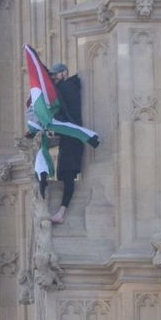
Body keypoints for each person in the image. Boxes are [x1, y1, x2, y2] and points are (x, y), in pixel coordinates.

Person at [49, 62, 88, 224]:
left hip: (72, 137)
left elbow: (67, 114)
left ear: (64, 72)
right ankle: (61, 211)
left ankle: (62, 212)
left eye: (56, 74)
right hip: (70, 137)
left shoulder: (66, 88)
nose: (54, 78)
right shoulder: (68, 87)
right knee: (65, 174)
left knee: (67, 174)